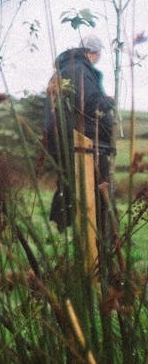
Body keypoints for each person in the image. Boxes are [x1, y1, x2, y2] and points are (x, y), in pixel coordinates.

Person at [45, 33, 116, 234]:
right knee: (98, 201)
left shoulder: (63, 71)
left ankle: (68, 230)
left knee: (73, 191)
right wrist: (109, 101)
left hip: (66, 145)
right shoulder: (81, 71)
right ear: (95, 53)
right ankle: (101, 249)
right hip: (86, 146)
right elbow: (90, 106)